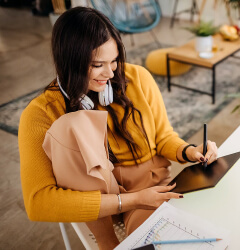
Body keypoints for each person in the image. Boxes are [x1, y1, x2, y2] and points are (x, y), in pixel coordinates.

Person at [18, 6, 218, 250]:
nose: (110, 72)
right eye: (97, 65)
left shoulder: (138, 77)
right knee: (72, 126)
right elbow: (38, 202)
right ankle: (107, 243)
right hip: (108, 204)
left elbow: (164, 136)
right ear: (69, 62)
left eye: (114, 61)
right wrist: (127, 201)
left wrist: (189, 151)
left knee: (188, 234)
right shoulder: (40, 114)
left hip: (154, 187)